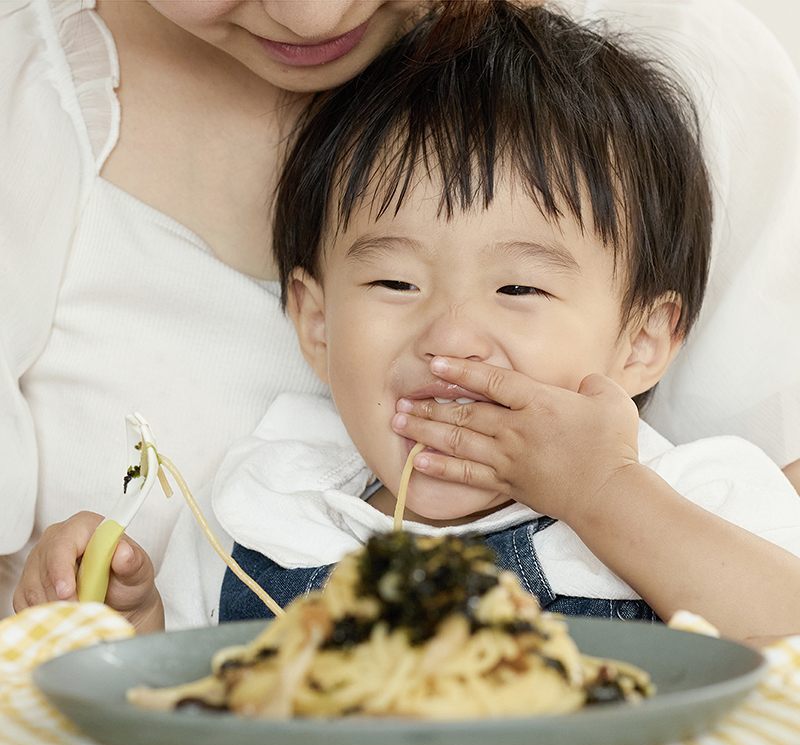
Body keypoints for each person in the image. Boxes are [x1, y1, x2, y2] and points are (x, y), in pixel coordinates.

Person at [9, 0, 800, 628]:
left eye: (520, 289)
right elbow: (187, 695)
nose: (449, 337)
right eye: (394, 285)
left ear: (646, 338)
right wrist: (124, 624)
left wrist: (605, 495)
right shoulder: (265, 506)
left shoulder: (701, 496)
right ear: (314, 325)